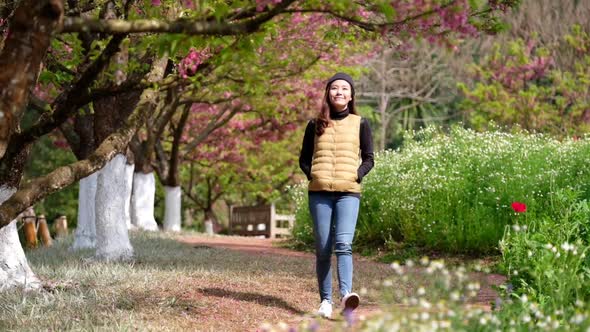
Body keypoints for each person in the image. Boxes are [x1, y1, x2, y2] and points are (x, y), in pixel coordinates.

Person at [299, 72, 374, 319]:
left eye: (344, 88)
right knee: (322, 248)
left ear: (351, 95)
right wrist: (313, 176)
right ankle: (325, 301)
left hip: (348, 193)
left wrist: (357, 175)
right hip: (319, 194)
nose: (339, 92)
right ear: (328, 94)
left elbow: (369, 158)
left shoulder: (360, 123)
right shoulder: (314, 124)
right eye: (334, 88)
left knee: (344, 244)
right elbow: (304, 158)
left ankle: (346, 296)